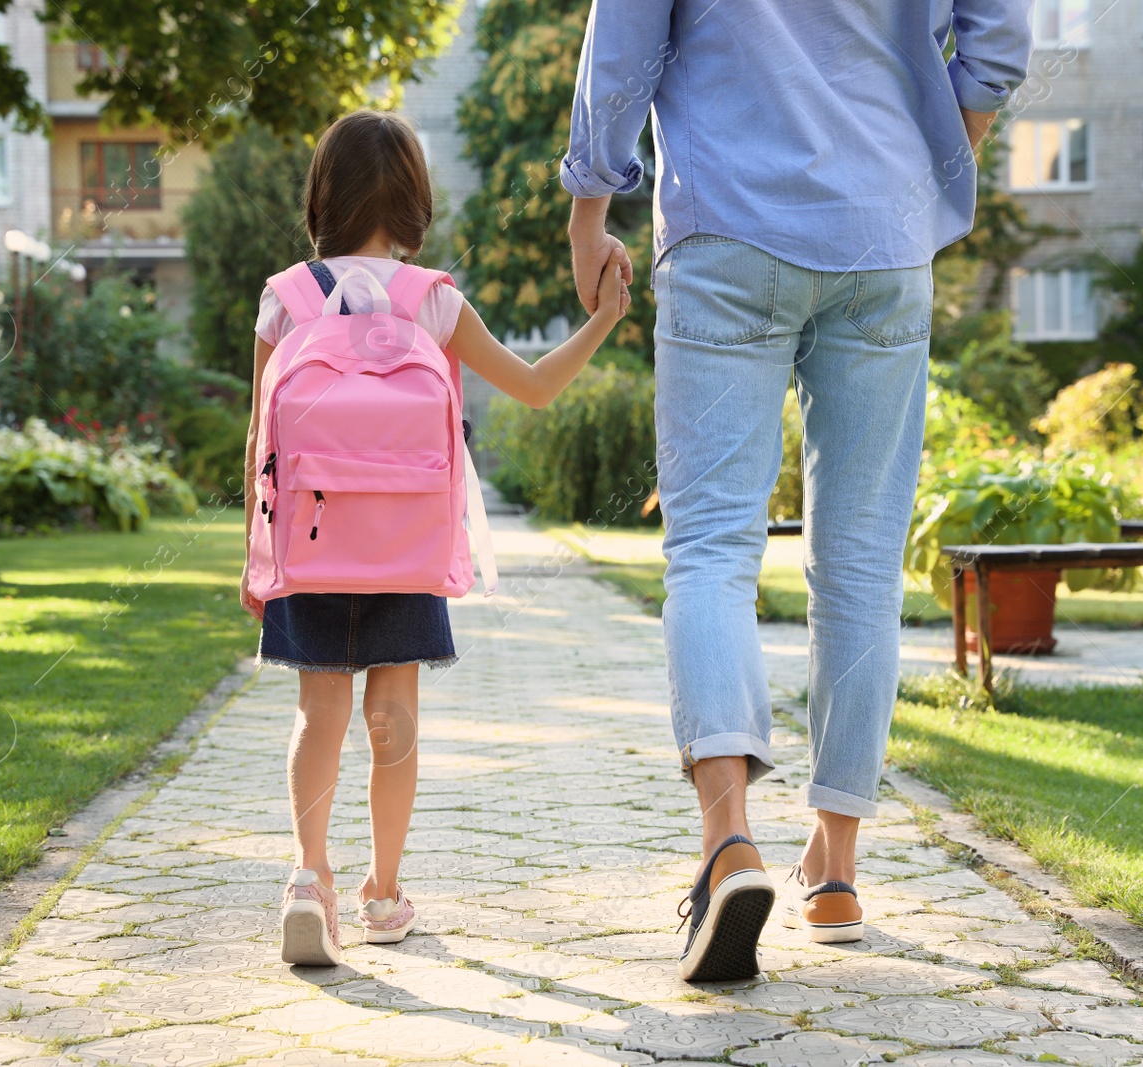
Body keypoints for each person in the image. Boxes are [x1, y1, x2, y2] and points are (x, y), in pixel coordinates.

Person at [561, 2, 1032, 980]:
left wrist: (589, 203)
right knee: (859, 556)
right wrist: (932, 158)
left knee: (711, 548)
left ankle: (728, 842)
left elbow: (624, 44)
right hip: (885, 232)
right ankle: (837, 871)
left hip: (726, 227)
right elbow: (998, 34)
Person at [241, 110, 630, 966]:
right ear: (414, 199)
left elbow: (259, 437)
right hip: (406, 546)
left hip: (307, 541)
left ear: (323, 197)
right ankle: (384, 891)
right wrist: (603, 318)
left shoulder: (287, 297)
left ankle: (310, 877)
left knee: (320, 713)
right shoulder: (434, 300)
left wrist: (255, 553)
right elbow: (531, 388)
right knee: (393, 715)